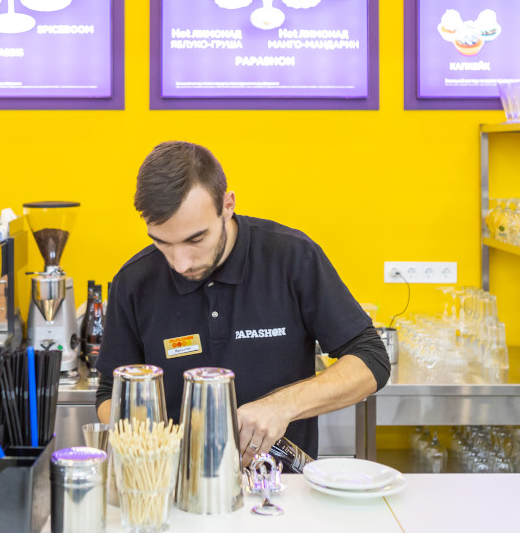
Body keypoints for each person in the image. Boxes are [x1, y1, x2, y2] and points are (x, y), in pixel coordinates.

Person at [94, 141, 391, 465]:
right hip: (176, 484)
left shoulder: (292, 258)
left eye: (196, 239)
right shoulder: (135, 282)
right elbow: (111, 392)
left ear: (227, 205)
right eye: (162, 243)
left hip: (283, 485)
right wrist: (150, 448)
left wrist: (282, 406)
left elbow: (371, 360)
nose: (180, 263)